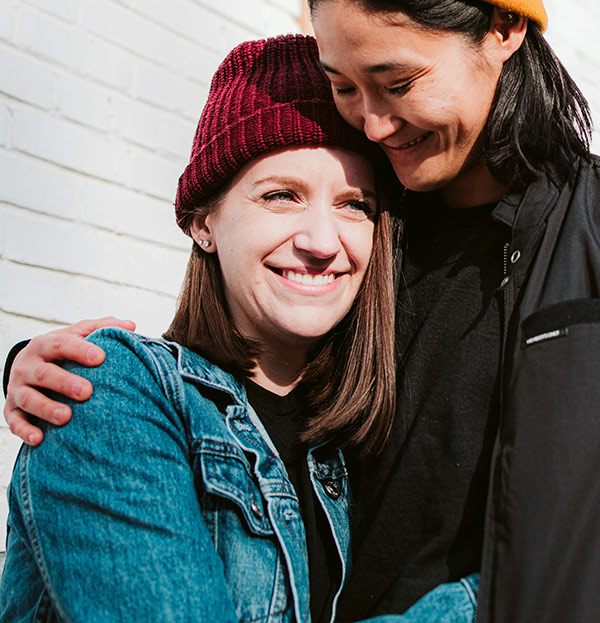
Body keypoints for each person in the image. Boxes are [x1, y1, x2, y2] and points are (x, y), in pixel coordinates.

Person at [4, 1, 599, 622]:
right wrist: (73, 380)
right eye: (343, 86)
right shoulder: (390, 216)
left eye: (397, 83)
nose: (371, 124)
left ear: (504, 28)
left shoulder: (576, 232)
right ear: (201, 221)